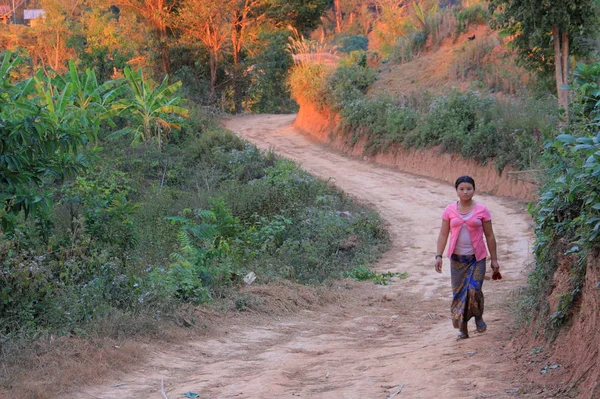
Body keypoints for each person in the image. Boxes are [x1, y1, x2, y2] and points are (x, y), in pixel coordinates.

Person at [434, 176, 500, 339]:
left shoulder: (482, 210)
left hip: (477, 259)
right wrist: (438, 255)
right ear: (456, 191)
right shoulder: (449, 210)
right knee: (459, 294)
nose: (465, 192)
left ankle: (478, 317)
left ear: (474, 190)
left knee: (474, 290)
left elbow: (490, 235)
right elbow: (443, 234)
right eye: (461, 189)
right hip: (457, 260)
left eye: (469, 189)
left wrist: (494, 259)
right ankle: (463, 329)